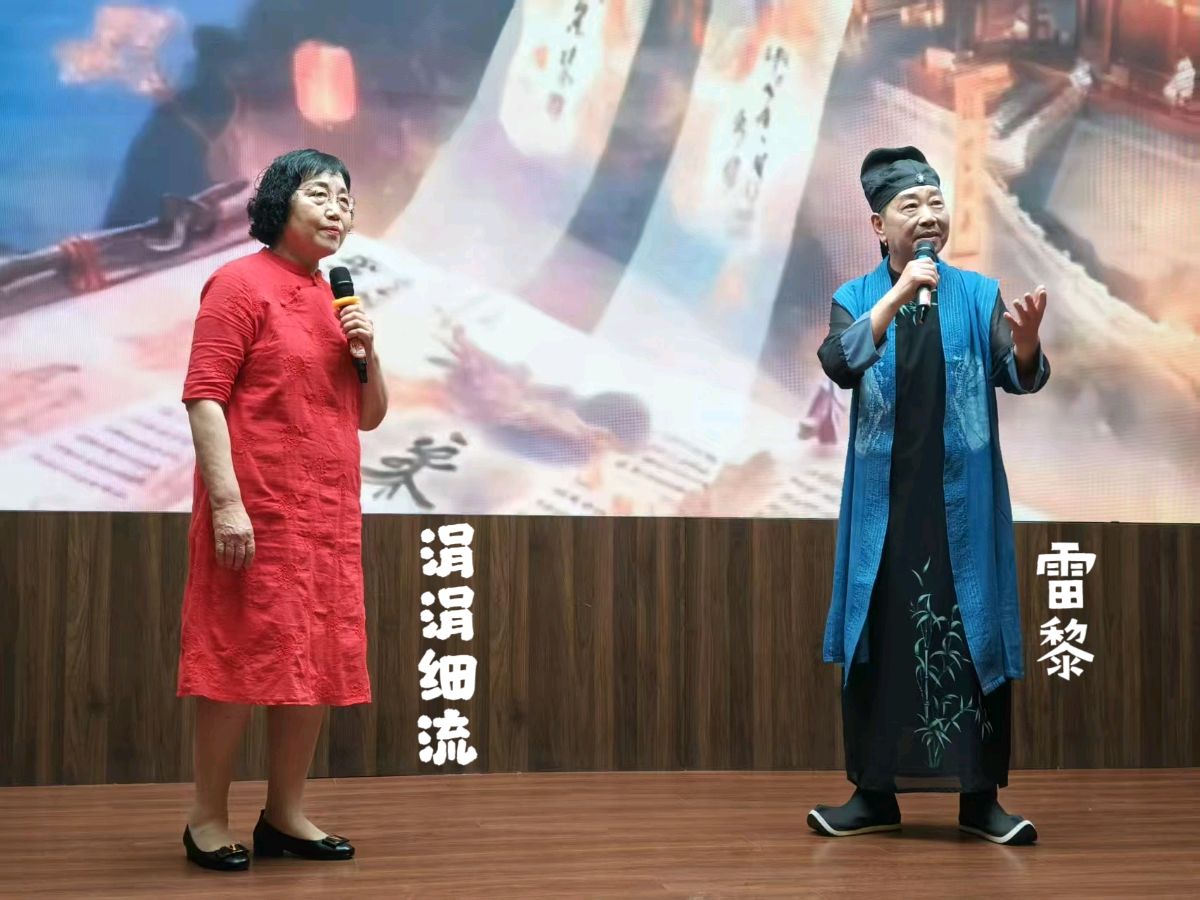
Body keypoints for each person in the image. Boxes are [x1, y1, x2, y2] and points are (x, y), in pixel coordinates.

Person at [808, 146, 1049, 845]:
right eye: (909, 206)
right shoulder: (856, 297)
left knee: (973, 636)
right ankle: (872, 795)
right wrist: (896, 295)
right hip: (884, 510)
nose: (928, 216)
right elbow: (839, 362)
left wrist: (1026, 344)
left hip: (960, 508)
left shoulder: (976, 294)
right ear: (878, 226)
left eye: (936, 203)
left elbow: (1019, 374)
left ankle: (980, 799)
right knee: (879, 640)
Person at [177, 148, 389, 871]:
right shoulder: (238, 283)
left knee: (315, 659)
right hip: (258, 511)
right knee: (235, 656)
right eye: (321, 194)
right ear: (279, 202)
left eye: (346, 200)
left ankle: (285, 814)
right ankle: (207, 818)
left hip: (327, 518)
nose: (338, 210)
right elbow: (205, 396)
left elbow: (369, 416)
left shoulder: (338, 303)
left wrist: (368, 352)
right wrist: (227, 504)